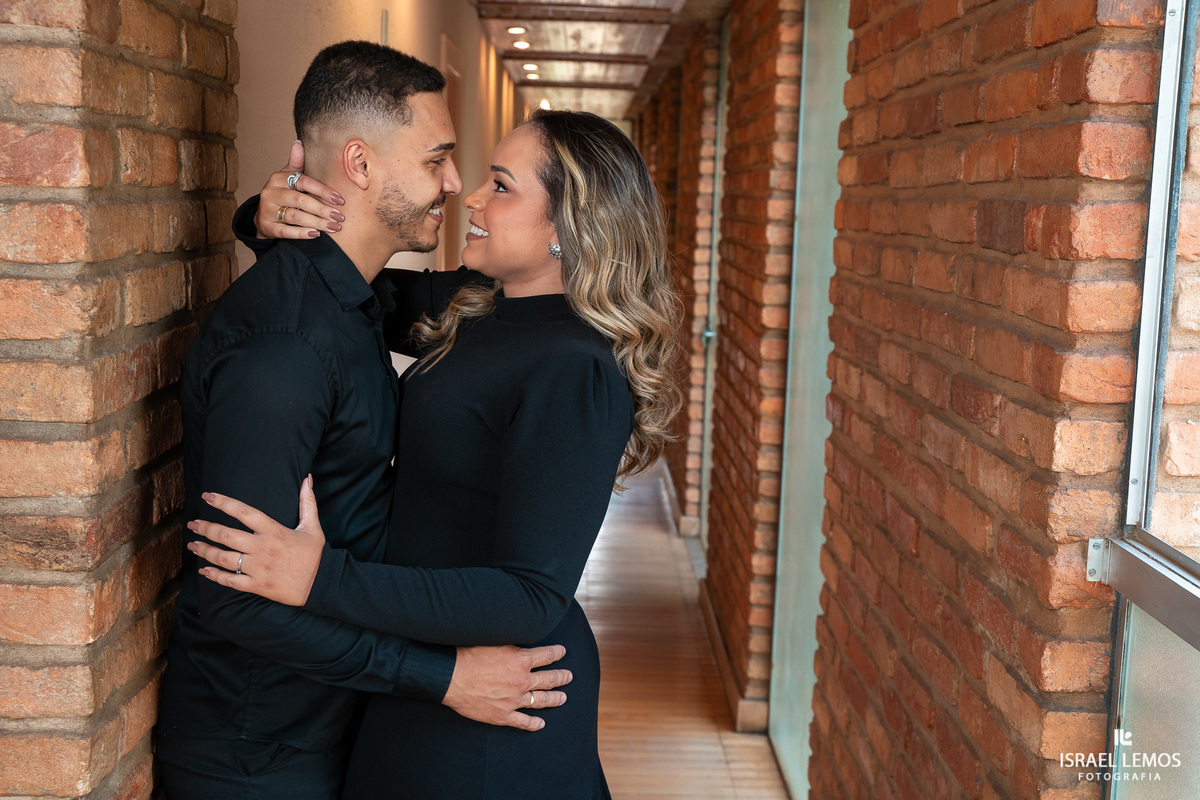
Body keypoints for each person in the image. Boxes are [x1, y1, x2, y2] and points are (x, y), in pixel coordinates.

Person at [188, 108, 682, 797]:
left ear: (568, 229)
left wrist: (318, 579)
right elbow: (352, 288)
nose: (470, 197)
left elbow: (531, 596)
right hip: (429, 679)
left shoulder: (575, 369)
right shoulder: (483, 305)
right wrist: (265, 219)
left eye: (501, 187)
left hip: (496, 708)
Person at [154, 41, 571, 799]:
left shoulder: (357, 306)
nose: (455, 184)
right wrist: (442, 679)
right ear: (360, 163)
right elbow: (232, 592)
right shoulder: (283, 350)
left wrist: (259, 218)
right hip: (256, 756)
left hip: (334, 729)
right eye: (439, 158)